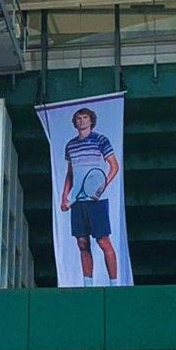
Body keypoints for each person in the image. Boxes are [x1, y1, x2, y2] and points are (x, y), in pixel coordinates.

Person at [58, 107, 121, 284]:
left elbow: (114, 166)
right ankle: (88, 285)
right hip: (78, 202)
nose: (82, 121)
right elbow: (70, 173)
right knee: (82, 243)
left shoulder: (101, 140)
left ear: (91, 120)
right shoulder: (70, 145)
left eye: (85, 117)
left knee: (103, 242)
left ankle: (114, 285)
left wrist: (101, 187)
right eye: (79, 118)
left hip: (96, 201)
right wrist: (64, 197)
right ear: (75, 122)